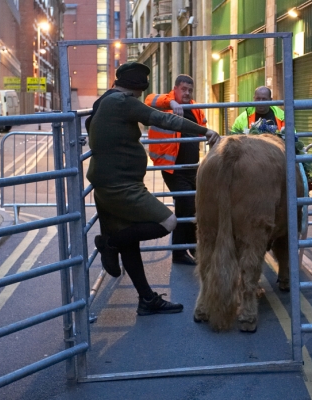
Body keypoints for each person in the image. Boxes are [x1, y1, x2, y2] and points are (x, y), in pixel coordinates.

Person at [86, 62, 220, 316]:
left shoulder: (106, 100)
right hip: (120, 186)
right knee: (168, 221)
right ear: (136, 87)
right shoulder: (123, 102)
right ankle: (109, 242)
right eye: (139, 90)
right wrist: (205, 132)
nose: (139, 95)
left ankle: (146, 298)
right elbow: (164, 119)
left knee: (131, 242)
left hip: (112, 183)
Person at [144, 75, 206, 266]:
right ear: (175, 89)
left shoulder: (194, 108)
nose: (187, 93)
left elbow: (202, 126)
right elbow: (148, 100)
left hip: (192, 168)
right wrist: (170, 100)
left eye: (190, 90)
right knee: (186, 205)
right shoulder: (165, 104)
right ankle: (179, 252)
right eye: (183, 89)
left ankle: (192, 247)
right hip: (173, 168)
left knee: (192, 207)